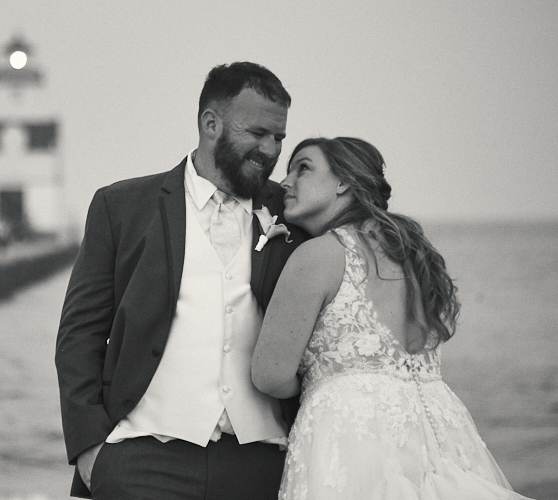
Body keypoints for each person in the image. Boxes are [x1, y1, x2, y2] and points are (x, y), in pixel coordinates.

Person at [55, 62, 307, 500]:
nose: (270, 150)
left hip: (263, 462)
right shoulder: (122, 206)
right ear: (211, 124)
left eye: (279, 138)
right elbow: (80, 334)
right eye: (257, 133)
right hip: (142, 458)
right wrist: (90, 448)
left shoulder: (293, 213)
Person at [251, 137, 532, 499]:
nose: (286, 181)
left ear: (343, 183)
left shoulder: (318, 256)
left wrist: (322, 382)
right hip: (439, 433)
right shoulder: (415, 258)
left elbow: (269, 374)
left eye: (302, 168)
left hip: (353, 438)